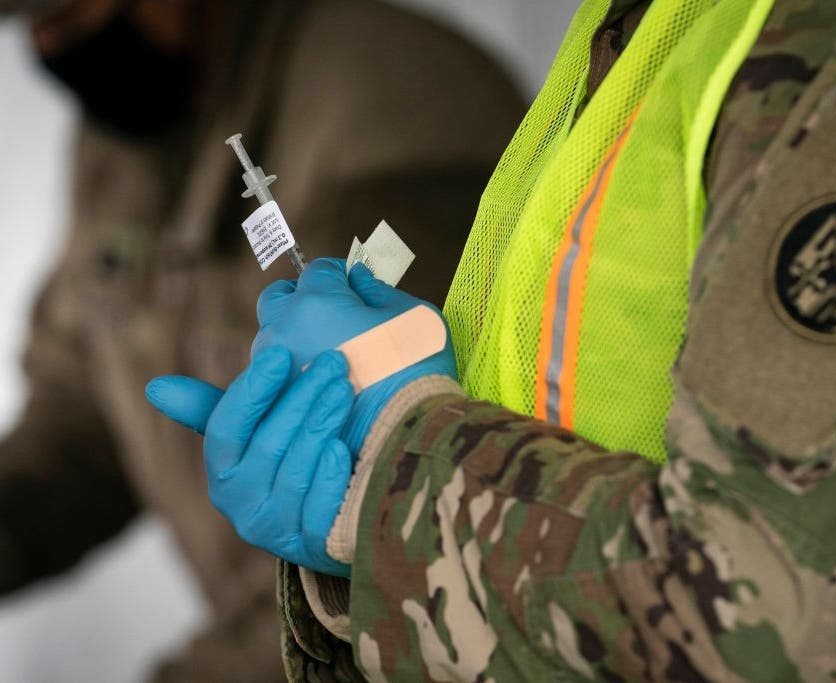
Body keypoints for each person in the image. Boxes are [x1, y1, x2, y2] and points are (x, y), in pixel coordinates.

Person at [147, 0, 836, 680]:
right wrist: (368, 541)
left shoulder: (834, 41)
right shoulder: (618, 33)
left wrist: (399, 467)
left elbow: (776, 629)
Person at [0, 0, 525, 680]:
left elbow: (386, 519)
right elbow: (81, 416)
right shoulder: (123, 140)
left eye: (72, 13)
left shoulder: (389, 95)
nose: (52, 44)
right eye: (34, 22)